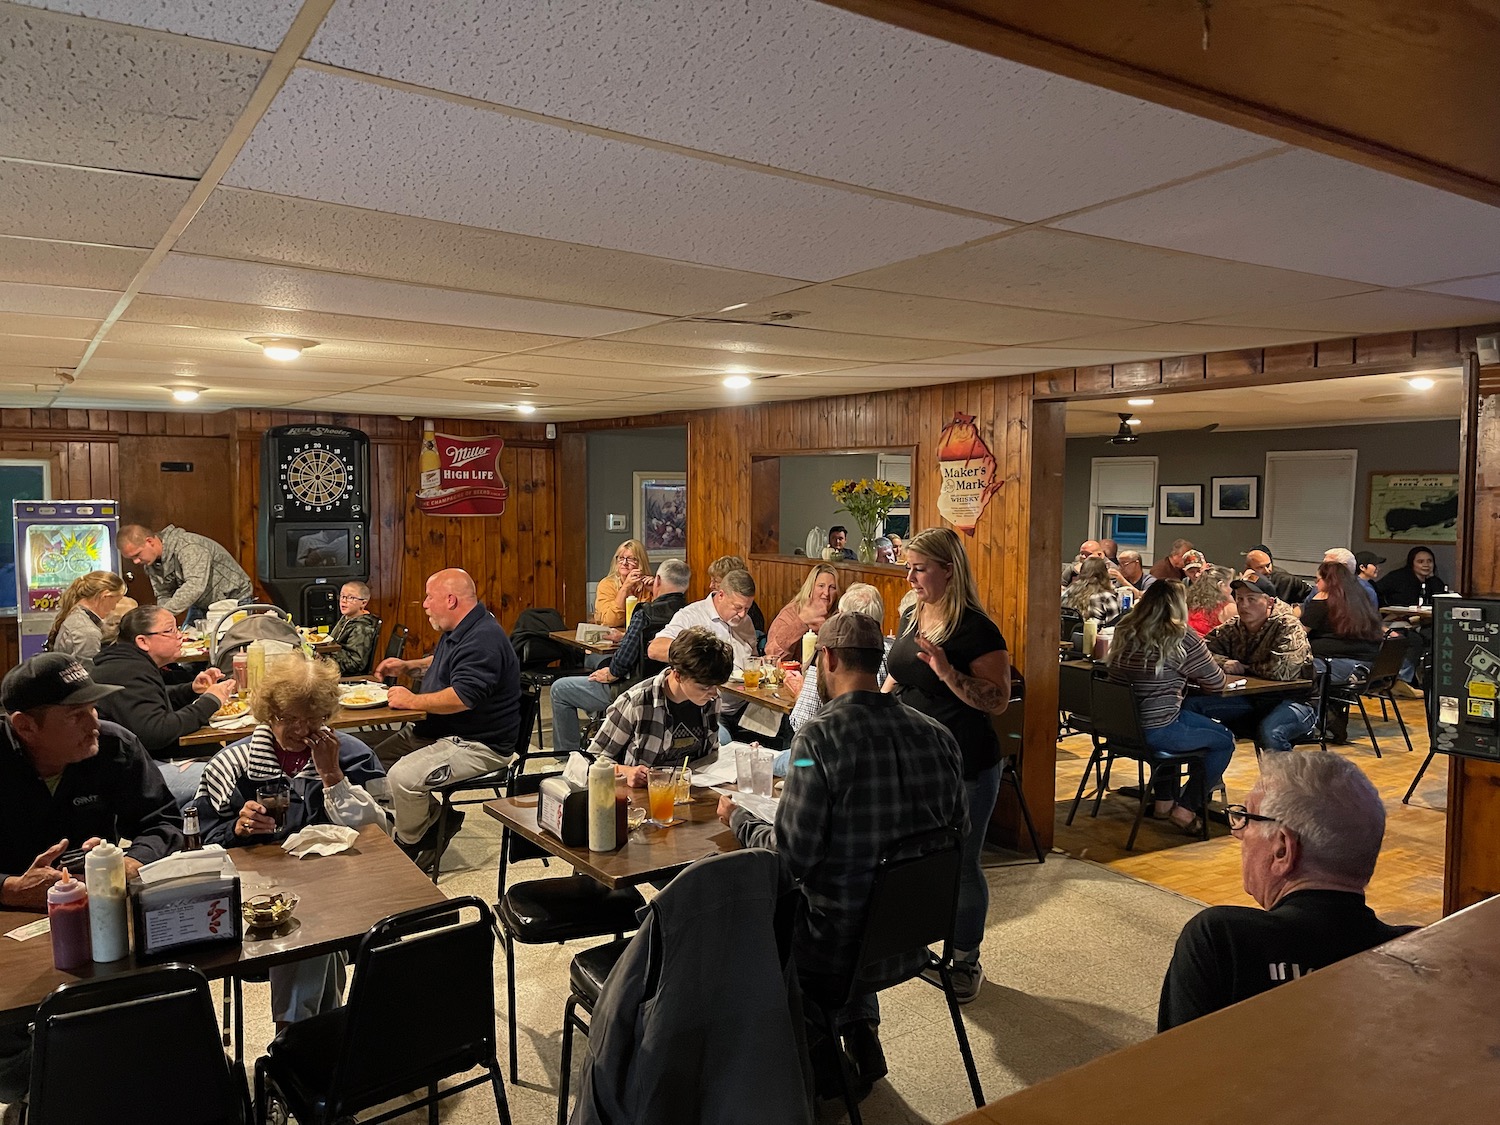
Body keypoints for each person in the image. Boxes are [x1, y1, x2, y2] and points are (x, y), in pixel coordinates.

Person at [719, 612, 966, 1098]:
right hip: (914, 935)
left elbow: (791, 858)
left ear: (826, 659)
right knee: (860, 886)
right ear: (877, 663)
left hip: (834, 949)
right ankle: (860, 1029)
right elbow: (956, 840)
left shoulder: (815, 742)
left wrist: (739, 818)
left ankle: (809, 1054)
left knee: (750, 914)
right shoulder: (940, 737)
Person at [0, 653, 184, 1106]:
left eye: (95, 708)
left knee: (162, 1014)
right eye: (76, 715)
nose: (95, 723)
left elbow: (164, 822)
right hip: (9, 932)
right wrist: (7, 887)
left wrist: (135, 860)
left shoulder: (115, 746)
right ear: (26, 726)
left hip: (99, 914)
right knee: (12, 1069)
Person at [1157, 752, 1418, 1031]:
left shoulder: (1223, 940)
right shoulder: (1420, 951)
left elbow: (1173, 1071)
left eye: (1246, 817)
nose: (1237, 833)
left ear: (1283, 849)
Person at [195, 656, 388, 1025]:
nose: (302, 730)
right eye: (290, 718)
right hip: (262, 904)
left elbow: (382, 836)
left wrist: (333, 775)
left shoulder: (355, 756)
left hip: (346, 896)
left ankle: (303, 1040)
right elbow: (199, 842)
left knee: (314, 933)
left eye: (314, 718)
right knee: (307, 934)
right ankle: (309, 1040)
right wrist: (237, 830)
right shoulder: (231, 765)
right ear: (269, 714)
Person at [882, 527, 1010, 1003]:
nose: (910, 575)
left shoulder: (977, 629)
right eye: (909, 566)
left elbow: (996, 700)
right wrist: (870, 711)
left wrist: (947, 672)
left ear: (948, 570)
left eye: (919, 567)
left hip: (965, 763)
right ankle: (916, 943)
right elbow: (897, 675)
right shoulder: (915, 612)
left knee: (962, 863)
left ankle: (965, 960)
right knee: (914, 857)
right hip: (914, 759)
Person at [370, 568, 520, 868]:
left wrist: (412, 700)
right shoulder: (463, 628)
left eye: (429, 597)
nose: (425, 604)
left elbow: (463, 697)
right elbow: (441, 662)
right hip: (442, 731)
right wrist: (409, 666)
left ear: (450, 600)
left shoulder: (483, 638)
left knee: (403, 776)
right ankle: (437, 819)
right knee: (369, 761)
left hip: (477, 743)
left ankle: (412, 845)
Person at [1107, 581, 1235, 834]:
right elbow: (1216, 682)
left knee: (1182, 719)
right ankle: (1186, 809)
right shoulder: (1181, 636)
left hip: (1121, 728)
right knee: (1224, 742)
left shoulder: (1125, 629)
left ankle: (1164, 804)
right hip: (1157, 730)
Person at [90, 605, 239, 806]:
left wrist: (191, 690)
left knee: (225, 756)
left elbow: (152, 699)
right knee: (232, 777)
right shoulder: (128, 670)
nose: (180, 636)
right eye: (170, 631)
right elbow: (156, 732)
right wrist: (210, 701)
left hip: (141, 763)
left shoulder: (127, 663)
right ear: (142, 641)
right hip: (129, 777)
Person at [550, 558, 691, 754]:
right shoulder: (690, 613)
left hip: (634, 689)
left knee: (560, 689)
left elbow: (624, 660)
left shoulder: (645, 613)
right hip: (673, 691)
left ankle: (566, 756)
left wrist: (610, 673)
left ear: (657, 580)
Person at [1184, 576, 1317, 752]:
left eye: (1251, 599)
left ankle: (1284, 779)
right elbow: (1198, 652)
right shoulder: (1234, 627)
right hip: (1251, 699)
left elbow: (1283, 669)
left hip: (1295, 701)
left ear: (1269, 602)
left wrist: (1245, 668)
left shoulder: (1288, 626)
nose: (1244, 605)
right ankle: (1206, 778)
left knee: (1271, 732)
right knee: (1190, 707)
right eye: (1239, 599)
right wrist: (1225, 662)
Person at [589, 627, 732, 785]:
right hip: (647, 797)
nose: (713, 693)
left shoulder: (710, 702)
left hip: (692, 791)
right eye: (704, 687)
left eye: (716, 686)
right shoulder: (637, 702)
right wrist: (626, 772)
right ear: (677, 675)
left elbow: (710, 757)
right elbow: (592, 761)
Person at [1302, 561, 1384, 742]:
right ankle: (1330, 723)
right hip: (1369, 667)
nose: (1316, 585)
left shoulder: (1322, 601)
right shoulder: (1360, 599)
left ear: (1328, 581)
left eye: (1318, 580)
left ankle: (1310, 724)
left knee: (1300, 669)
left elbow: (1299, 635)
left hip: (1342, 667)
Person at [117, 523, 253, 621]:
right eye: (131, 558)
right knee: (186, 653)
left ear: (150, 541)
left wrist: (162, 614)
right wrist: (162, 621)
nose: (135, 562)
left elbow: (194, 586)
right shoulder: (150, 562)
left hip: (234, 601)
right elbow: (163, 593)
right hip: (201, 604)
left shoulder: (189, 546)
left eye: (137, 554)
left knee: (227, 652)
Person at [1375, 546, 1449, 694]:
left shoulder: (1435, 582)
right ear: (1412, 563)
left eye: (1429, 561)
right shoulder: (1397, 577)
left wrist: (1432, 579)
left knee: (1435, 637)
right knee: (1413, 640)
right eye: (1421, 561)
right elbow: (1375, 593)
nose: (1426, 565)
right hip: (1395, 621)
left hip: (1422, 622)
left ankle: (1426, 681)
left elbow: (1439, 601)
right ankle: (1401, 680)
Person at [44, 570, 127, 661]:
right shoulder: (87, 631)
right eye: (116, 601)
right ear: (105, 596)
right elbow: (87, 672)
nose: (114, 608)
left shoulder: (75, 615)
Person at [765, 564, 838, 662]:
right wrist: (801, 622)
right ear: (810, 588)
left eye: (832, 587)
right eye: (821, 586)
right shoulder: (791, 613)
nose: (826, 593)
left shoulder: (838, 616)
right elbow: (772, 656)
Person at [325, 579, 381, 676]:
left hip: (346, 675)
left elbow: (355, 664)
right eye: (342, 596)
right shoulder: (346, 618)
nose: (344, 601)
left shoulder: (362, 627)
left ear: (363, 603)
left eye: (350, 597)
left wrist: (327, 654)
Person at [594, 539, 654, 629]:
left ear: (641, 562)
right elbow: (610, 621)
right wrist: (625, 588)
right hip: (614, 635)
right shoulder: (607, 584)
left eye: (630, 559)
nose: (624, 563)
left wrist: (656, 591)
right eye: (621, 558)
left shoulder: (649, 584)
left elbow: (659, 619)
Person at [1242, 545, 1313, 606]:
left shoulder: (1284, 580)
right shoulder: (1250, 577)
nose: (1267, 570)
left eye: (1268, 565)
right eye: (1260, 567)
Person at [1062, 557, 1120, 625]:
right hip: (1096, 634)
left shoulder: (1069, 591)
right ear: (1104, 573)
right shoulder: (1106, 597)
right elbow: (1115, 624)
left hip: (1070, 633)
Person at [1185, 565, 1236, 637]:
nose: (1232, 589)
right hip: (1209, 646)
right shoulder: (1228, 609)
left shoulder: (1188, 602)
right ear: (1221, 585)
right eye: (1230, 585)